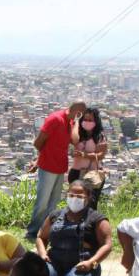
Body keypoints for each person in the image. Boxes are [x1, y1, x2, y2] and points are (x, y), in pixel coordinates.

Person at [26, 101, 86, 240]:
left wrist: (76, 122)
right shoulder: (55, 119)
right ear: (77, 111)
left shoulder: (70, 122)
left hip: (60, 167)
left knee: (53, 202)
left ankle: (47, 231)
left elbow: (75, 140)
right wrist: (43, 157)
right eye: (81, 113)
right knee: (42, 201)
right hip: (48, 166)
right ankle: (33, 231)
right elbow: (38, 142)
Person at [68, 107, 108, 208]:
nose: (87, 122)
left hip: (92, 175)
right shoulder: (78, 134)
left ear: (96, 121)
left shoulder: (100, 137)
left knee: (91, 204)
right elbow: (73, 141)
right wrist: (76, 122)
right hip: (76, 173)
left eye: (90, 120)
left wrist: (83, 155)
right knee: (75, 204)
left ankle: (90, 223)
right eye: (85, 119)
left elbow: (101, 155)